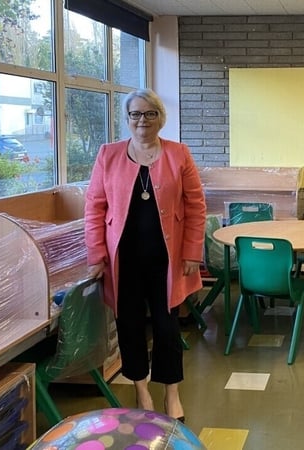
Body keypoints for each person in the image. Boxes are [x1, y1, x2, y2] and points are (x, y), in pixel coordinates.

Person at [84, 88, 206, 423]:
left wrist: (192, 252)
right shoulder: (108, 154)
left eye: (150, 114)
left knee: (167, 327)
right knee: (130, 325)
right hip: (123, 261)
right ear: (127, 119)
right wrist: (96, 255)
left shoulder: (179, 154)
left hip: (167, 259)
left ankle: (171, 391)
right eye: (136, 114)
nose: (142, 120)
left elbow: (196, 206)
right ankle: (140, 388)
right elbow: (94, 208)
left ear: (160, 118)